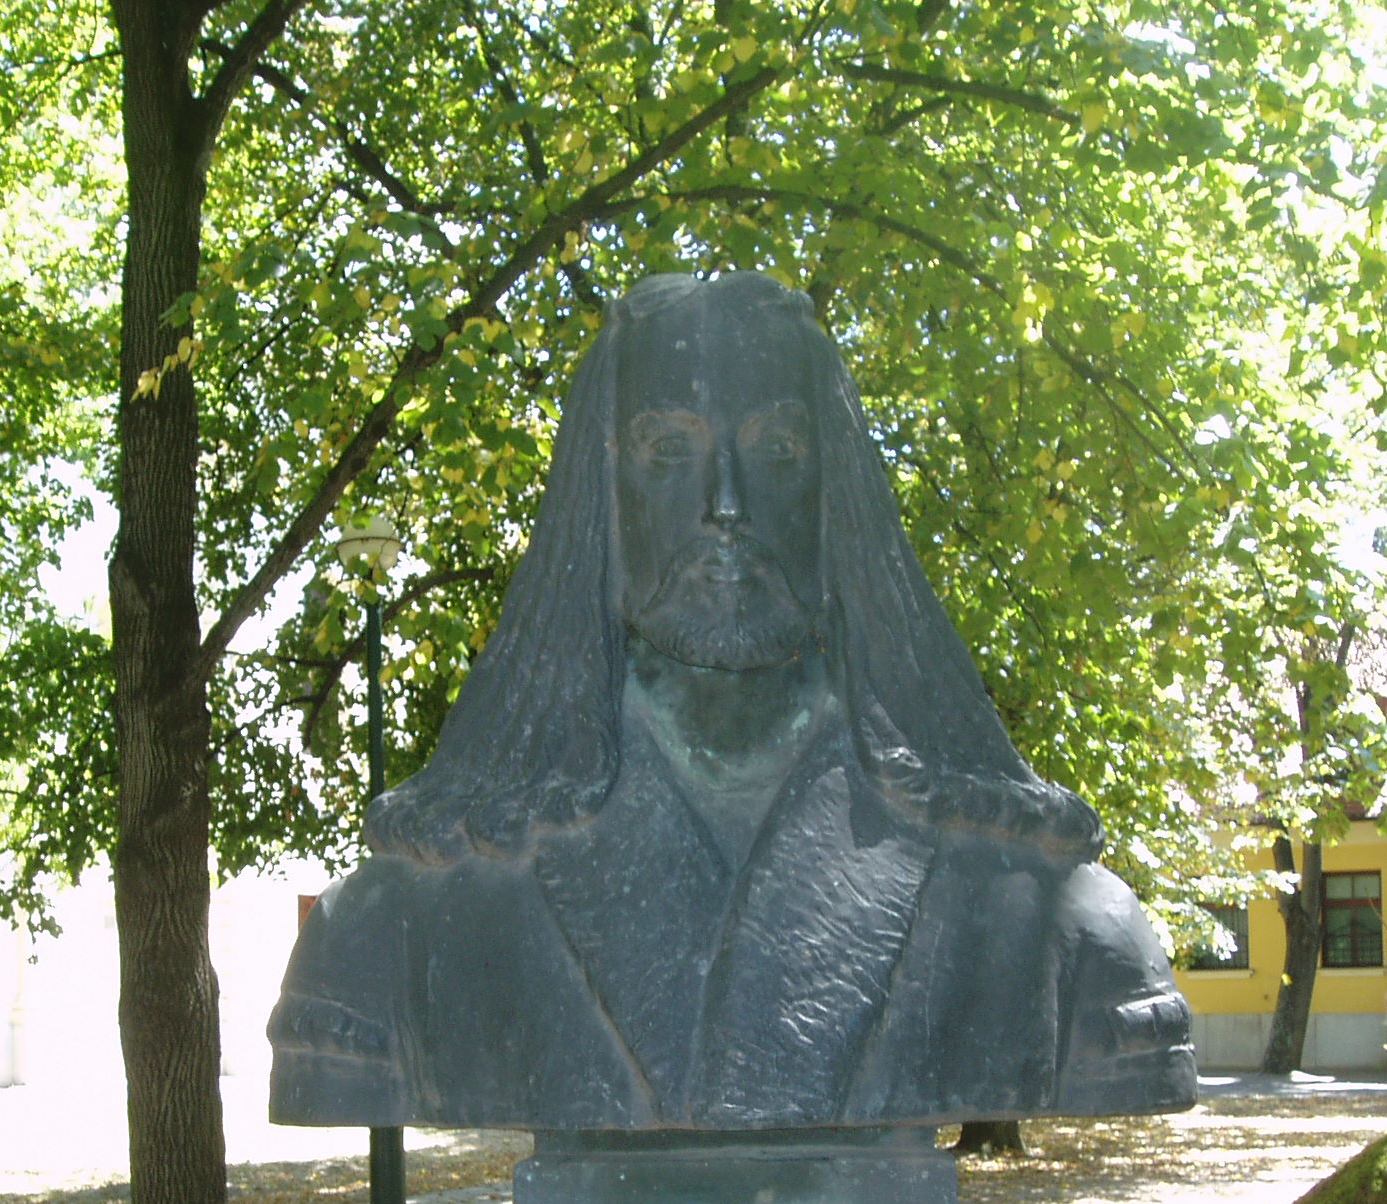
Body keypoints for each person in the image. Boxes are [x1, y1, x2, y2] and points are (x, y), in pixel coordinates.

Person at [269, 272, 1194, 1132]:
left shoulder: (1059, 928)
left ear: (835, 493)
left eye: (778, 450)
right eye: (668, 451)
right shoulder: (389, 930)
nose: (725, 504)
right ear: (601, 491)